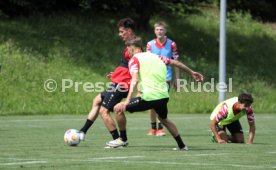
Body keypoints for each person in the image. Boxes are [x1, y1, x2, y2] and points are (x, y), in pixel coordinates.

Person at [102, 37, 204, 150]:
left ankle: (122, 139)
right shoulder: (156, 56)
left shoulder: (134, 60)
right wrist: (192, 72)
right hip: (163, 96)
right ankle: (182, 145)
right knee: (164, 119)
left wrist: (126, 101)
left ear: (131, 48)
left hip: (148, 97)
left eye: (127, 49)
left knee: (117, 108)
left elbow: (135, 80)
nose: (127, 52)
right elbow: (175, 62)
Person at [78, 18, 136, 142]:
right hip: (119, 81)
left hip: (122, 84)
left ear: (129, 30)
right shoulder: (129, 44)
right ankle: (83, 131)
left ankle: (118, 139)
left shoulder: (134, 46)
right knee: (97, 101)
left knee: (104, 111)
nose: (120, 34)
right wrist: (116, 73)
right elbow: (127, 65)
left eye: (122, 32)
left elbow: (137, 65)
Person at [145, 21, 180, 136]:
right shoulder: (150, 45)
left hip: (166, 78)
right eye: (157, 30)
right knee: (151, 102)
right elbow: (147, 62)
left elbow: (176, 62)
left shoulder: (172, 44)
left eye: (161, 30)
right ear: (154, 31)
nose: (159, 32)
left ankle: (160, 127)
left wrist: (177, 80)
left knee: (160, 102)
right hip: (152, 78)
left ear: (165, 31)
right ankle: (153, 128)